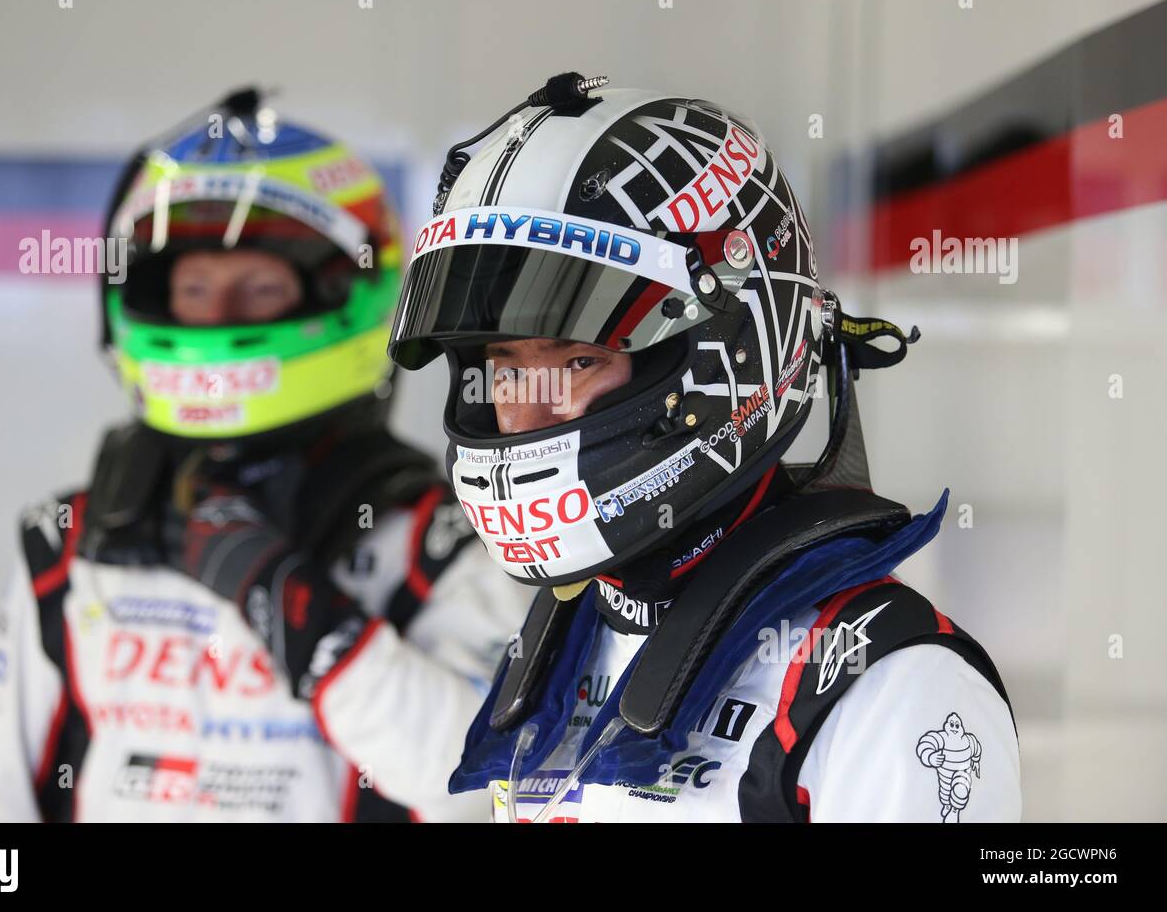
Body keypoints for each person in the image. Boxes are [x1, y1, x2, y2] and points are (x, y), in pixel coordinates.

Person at [387, 73, 1022, 822]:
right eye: (504, 367)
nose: (524, 416)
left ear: (727, 355)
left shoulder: (889, 686)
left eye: (575, 362)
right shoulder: (571, 637)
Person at [0, 89, 530, 822]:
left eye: (258, 288)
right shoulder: (69, 541)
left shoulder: (443, 541)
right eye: (194, 288)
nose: (219, 318)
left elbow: (480, 789)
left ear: (343, 291)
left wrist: (289, 600)